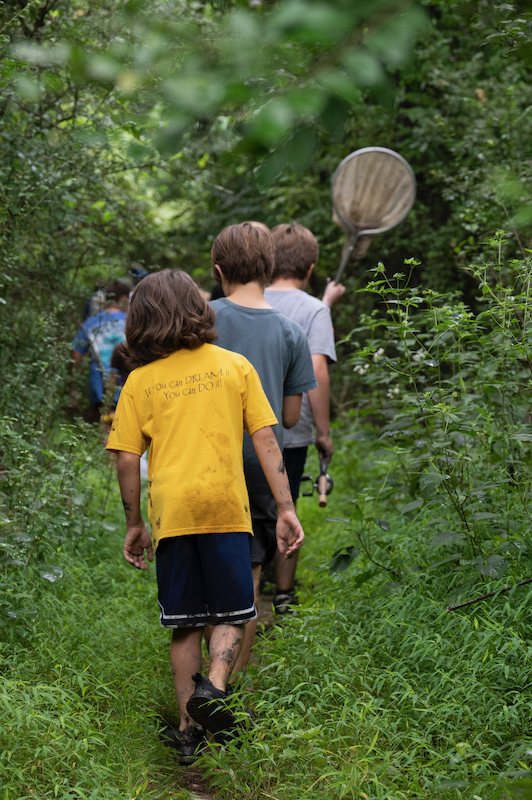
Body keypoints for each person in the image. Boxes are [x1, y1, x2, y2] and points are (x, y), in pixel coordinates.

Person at [105, 269, 304, 765]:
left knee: (183, 624)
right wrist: (284, 506)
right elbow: (264, 438)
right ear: (199, 308)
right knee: (236, 613)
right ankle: (214, 687)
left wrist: (134, 523)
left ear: (142, 320)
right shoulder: (234, 366)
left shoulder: (139, 381)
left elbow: (127, 458)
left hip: (174, 514)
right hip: (225, 509)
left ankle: (188, 731)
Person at [209, 221, 316, 676]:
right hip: (260, 473)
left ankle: (196, 684)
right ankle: (228, 687)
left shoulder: (202, 320)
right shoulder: (291, 332)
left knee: (205, 580)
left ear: (217, 271)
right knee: (249, 584)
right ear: (270, 268)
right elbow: (289, 419)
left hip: (205, 464)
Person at [264, 222, 340, 615]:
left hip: (244, 427)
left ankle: (251, 572)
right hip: (291, 430)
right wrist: (323, 433)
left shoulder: (250, 298)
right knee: (287, 501)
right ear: (310, 268)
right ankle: (283, 592)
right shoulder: (314, 309)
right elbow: (318, 370)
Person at [72, 278, 133, 415]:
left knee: (104, 424)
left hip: (98, 381)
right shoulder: (132, 323)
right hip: (128, 384)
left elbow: (76, 354)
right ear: (123, 298)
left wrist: (73, 388)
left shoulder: (92, 322)